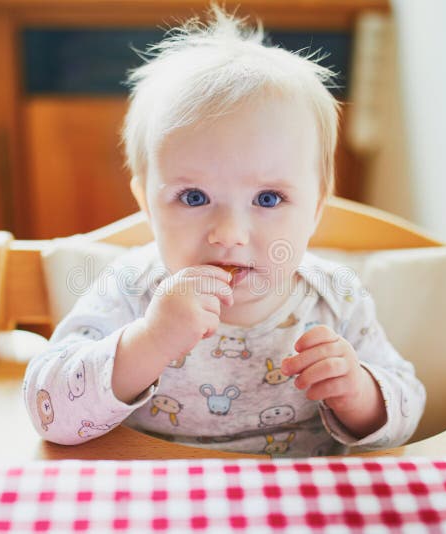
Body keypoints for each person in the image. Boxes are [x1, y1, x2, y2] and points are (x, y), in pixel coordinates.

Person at [23, 6, 425, 457]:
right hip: (156, 502)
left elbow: (408, 404)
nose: (229, 233)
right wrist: (149, 342)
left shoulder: (337, 298)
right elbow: (47, 410)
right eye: (194, 197)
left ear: (315, 208)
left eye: (268, 199)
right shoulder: (129, 291)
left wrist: (361, 394)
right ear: (147, 206)